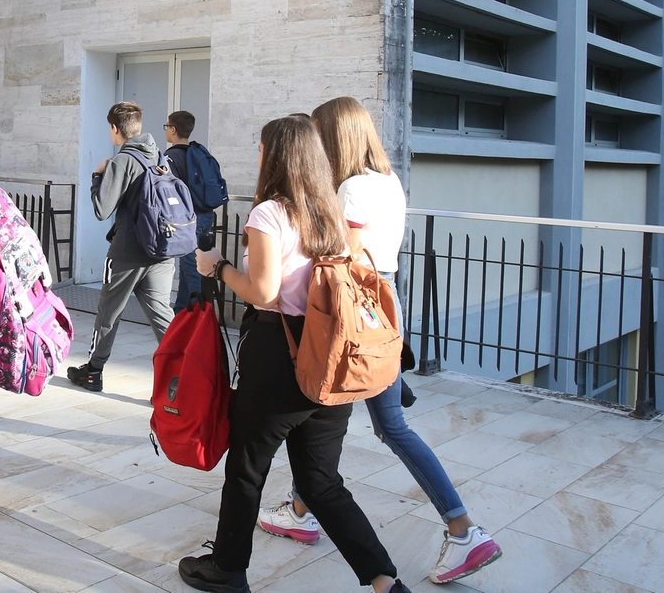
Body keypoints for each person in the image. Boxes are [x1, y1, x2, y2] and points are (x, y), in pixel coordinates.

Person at [255, 96, 500, 585]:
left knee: (382, 422)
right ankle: (303, 507)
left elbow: (339, 252)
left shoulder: (350, 189)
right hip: (382, 299)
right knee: (339, 415)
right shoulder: (386, 180)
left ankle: (463, 528)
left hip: (353, 307)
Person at [181, 115, 411, 593]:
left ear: (276, 155)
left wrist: (218, 266)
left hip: (278, 355)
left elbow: (263, 291)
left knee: (247, 469)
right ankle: (385, 581)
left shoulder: (270, 213)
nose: (258, 153)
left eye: (262, 146)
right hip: (330, 353)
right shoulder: (331, 212)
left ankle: (227, 569)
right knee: (322, 483)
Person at [65, 101, 176, 393]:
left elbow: (102, 209)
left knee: (108, 314)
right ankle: (183, 373)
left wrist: (98, 176)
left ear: (115, 129)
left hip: (128, 251)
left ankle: (93, 371)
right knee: (162, 314)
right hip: (162, 250)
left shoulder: (122, 161)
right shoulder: (160, 156)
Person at [164, 110, 217, 312]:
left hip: (188, 220)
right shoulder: (199, 152)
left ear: (173, 129)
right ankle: (181, 314)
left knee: (193, 270)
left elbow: (168, 191)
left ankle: (203, 317)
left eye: (167, 126)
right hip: (205, 215)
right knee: (189, 269)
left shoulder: (170, 157)